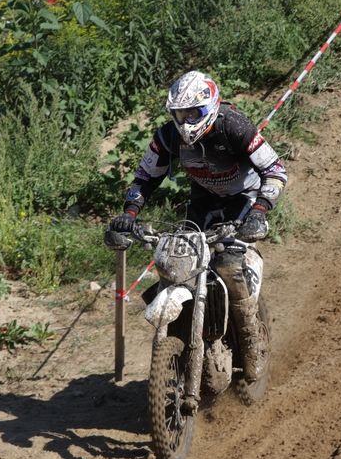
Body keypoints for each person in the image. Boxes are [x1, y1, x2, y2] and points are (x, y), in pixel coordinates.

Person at [108, 70, 288, 411]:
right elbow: (145, 177)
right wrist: (129, 214)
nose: (186, 121)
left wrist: (260, 211)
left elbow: (275, 170)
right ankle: (186, 343)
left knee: (230, 265)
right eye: (180, 114)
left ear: (210, 107)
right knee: (177, 267)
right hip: (202, 202)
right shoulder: (167, 136)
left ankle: (251, 338)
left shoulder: (234, 126)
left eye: (193, 113)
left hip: (243, 200)